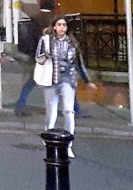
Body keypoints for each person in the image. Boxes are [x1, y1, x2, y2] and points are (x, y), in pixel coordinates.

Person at [35, 16, 97, 158]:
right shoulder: (46, 40)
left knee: (69, 111)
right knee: (51, 112)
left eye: (64, 25)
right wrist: (46, 55)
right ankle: (49, 142)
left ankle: (68, 145)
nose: (62, 27)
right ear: (54, 27)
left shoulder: (72, 44)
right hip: (51, 79)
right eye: (59, 24)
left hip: (68, 80)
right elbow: (38, 58)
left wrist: (88, 81)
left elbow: (79, 64)